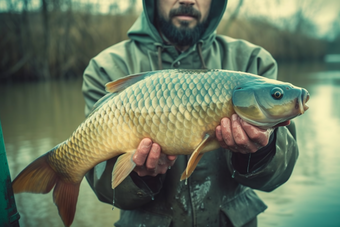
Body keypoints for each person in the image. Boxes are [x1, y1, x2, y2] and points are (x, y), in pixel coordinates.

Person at [82, 0, 299, 226]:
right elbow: (103, 185)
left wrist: (259, 151)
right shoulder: (106, 67)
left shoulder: (253, 61)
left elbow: (280, 173)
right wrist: (138, 176)